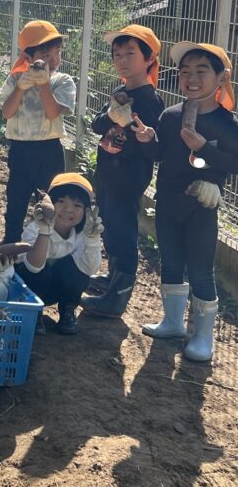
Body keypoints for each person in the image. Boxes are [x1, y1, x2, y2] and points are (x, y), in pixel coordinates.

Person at [133, 41, 238, 362]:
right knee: (171, 261)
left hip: (202, 206)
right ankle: (173, 322)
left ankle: (203, 337)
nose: (191, 78)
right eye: (185, 72)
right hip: (167, 200)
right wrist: (148, 140)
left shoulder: (227, 123)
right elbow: (160, 154)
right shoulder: (170, 115)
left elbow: (234, 164)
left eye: (201, 71)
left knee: (201, 270)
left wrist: (204, 147)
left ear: (221, 78)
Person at [81, 25, 163, 317]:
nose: (122, 60)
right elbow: (97, 126)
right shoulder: (120, 92)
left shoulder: (150, 100)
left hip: (128, 178)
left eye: (130, 53)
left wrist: (139, 132)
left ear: (149, 59)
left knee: (123, 232)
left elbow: (154, 148)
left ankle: (118, 297)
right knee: (109, 228)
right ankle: (113, 278)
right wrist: (111, 114)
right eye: (117, 54)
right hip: (107, 173)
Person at [0, 20, 77, 243]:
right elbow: (7, 112)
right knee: (16, 199)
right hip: (20, 149)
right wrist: (21, 87)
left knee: (51, 200)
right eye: (45, 54)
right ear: (27, 57)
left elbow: (53, 113)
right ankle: (12, 243)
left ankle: (50, 245)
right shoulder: (16, 79)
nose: (52, 59)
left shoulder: (62, 81)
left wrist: (43, 85)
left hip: (50, 150)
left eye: (57, 52)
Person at [15, 173, 103, 335]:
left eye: (77, 205)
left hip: (58, 289)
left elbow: (90, 269)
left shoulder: (85, 233)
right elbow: (33, 268)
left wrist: (92, 240)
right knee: (42, 269)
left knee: (79, 270)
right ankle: (33, 310)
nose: (68, 209)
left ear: (86, 211)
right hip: (30, 287)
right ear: (49, 203)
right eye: (61, 201)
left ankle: (67, 309)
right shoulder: (35, 228)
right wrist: (44, 232)